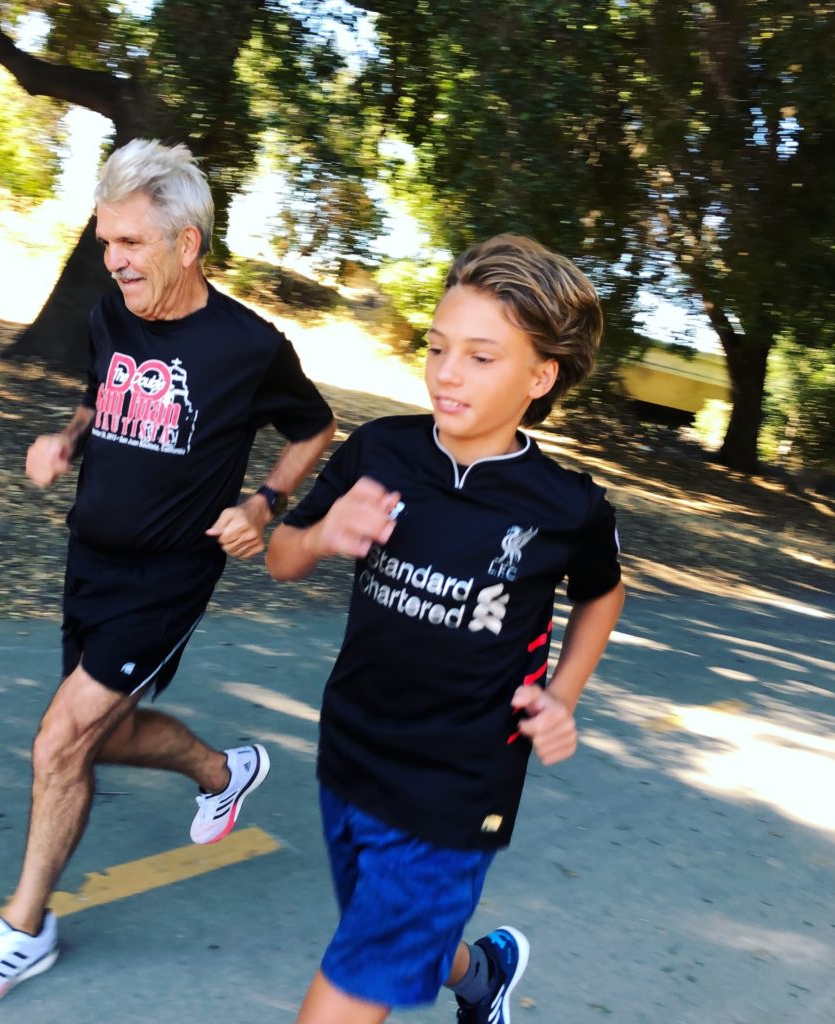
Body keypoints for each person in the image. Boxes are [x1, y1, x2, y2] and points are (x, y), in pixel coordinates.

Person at [0, 139, 336, 1013]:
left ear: (187, 244)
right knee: (101, 733)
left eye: (131, 243)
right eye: (107, 241)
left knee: (60, 741)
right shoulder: (113, 313)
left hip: (168, 575)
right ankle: (223, 772)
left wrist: (265, 505)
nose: (113, 260)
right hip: (89, 557)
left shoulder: (249, 347)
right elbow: (100, 386)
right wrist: (69, 440)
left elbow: (314, 427)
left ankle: (24, 930)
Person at [266, 234, 626, 1024]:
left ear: (541, 376)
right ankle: (483, 975)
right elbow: (280, 558)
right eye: (436, 347)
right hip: (351, 751)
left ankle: (462, 964)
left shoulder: (568, 505)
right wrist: (324, 536)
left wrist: (562, 696)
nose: (446, 372)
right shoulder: (381, 449)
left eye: (480, 357)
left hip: (459, 785)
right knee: (391, 935)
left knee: (361, 969)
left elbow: (603, 595)